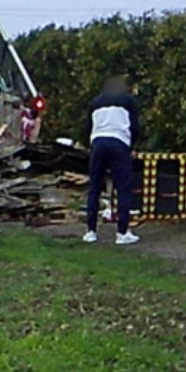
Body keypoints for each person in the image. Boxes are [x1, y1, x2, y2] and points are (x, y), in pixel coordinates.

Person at [81, 75, 141, 245]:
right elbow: (135, 126)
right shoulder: (128, 101)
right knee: (123, 188)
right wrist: (131, 146)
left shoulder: (94, 102)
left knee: (94, 187)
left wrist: (90, 143)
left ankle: (91, 231)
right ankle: (122, 233)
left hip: (98, 142)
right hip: (119, 142)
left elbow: (87, 127)